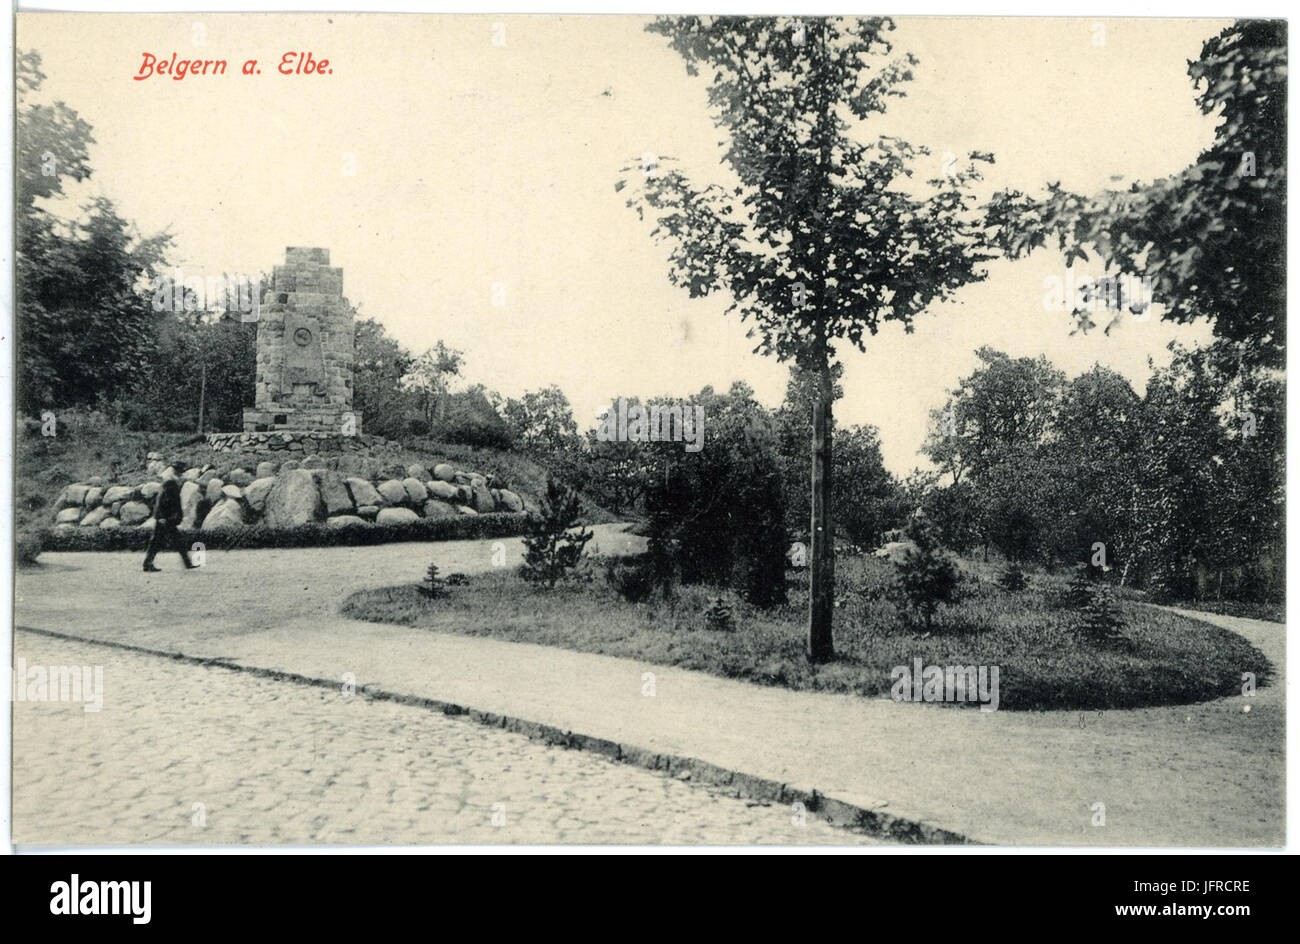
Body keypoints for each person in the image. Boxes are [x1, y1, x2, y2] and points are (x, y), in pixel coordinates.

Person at [143, 462, 196, 572]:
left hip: (166, 517)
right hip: (166, 518)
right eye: (180, 471)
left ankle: (187, 563)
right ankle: (147, 563)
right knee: (160, 541)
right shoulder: (171, 482)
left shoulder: (169, 481)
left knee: (172, 540)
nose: (181, 474)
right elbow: (164, 501)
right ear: (177, 472)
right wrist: (163, 517)